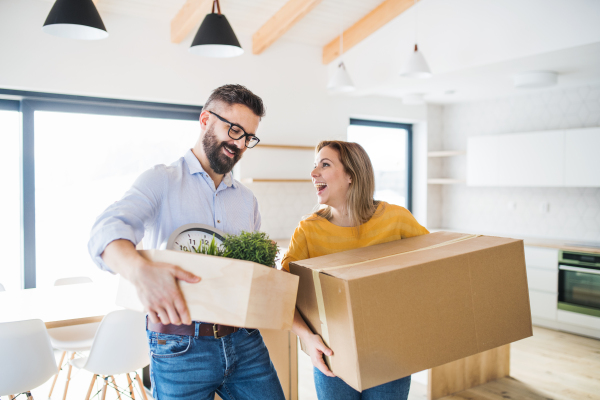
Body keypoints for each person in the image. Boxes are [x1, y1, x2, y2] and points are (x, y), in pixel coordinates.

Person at [88, 84, 286, 400]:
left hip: (244, 339)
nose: (239, 144)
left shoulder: (247, 201)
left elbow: (254, 273)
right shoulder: (162, 180)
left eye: (248, 137)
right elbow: (106, 230)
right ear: (205, 119)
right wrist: (140, 271)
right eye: (234, 130)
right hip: (180, 346)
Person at [282, 140, 429, 400]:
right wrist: (307, 338)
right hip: (333, 354)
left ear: (351, 175)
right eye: (314, 166)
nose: (313, 173)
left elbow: (434, 268)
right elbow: (283, 293)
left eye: (324, 165)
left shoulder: (396, 219)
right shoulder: (308, 230)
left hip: (391, 352)